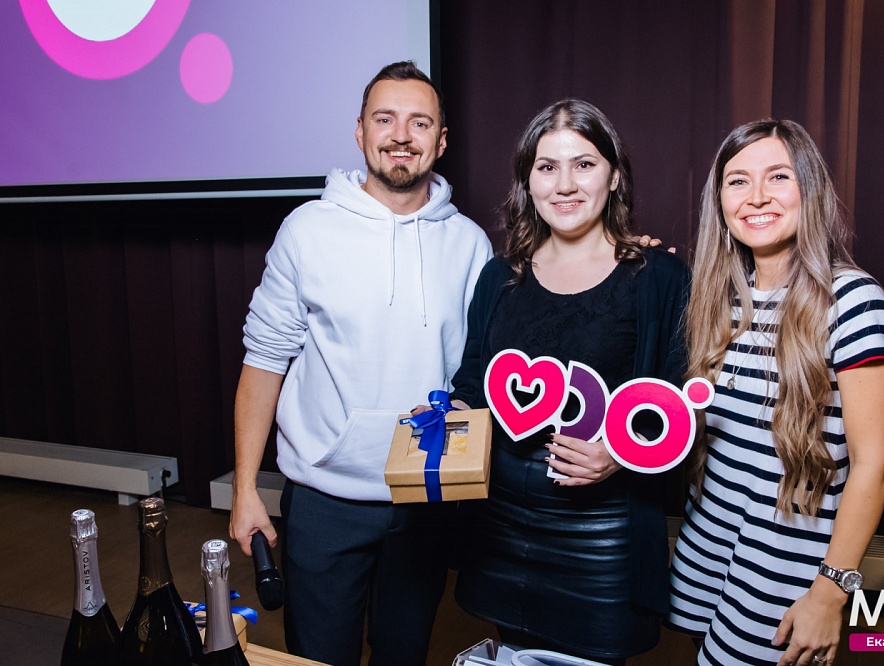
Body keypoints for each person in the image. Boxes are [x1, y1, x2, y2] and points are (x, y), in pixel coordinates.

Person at [228, 61, 493, 666]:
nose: (401, 135)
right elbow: (264, 362)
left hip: (425, 501)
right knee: (319, 659)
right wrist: (244, 490)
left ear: (440, 141)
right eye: (385, 119)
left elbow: (482, 372)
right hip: (324, 500)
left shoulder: (471, 244)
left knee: (405, 655)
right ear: (359, 131)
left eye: (419, 122)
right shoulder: (307, 230)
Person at [447, 99, 690, 665]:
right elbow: (473, 380)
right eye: (547, 167)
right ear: (527, 181)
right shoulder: (498, 276)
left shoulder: (659, 277)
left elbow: (680, 398)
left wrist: (620, 453)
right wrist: (443, 422)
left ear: (614, 175)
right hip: (502, 522)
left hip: (605, 533)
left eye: (583, 164)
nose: (564, 184)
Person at [667, 119, 884, 665]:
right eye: (738, 181)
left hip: (786, 567)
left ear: (809, 189)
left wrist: (831, 591)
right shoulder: (719, 299)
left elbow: (877, 463)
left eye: (778, 176)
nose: (757, 197)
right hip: (709, 543)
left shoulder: (853, 301)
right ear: (720, 201)